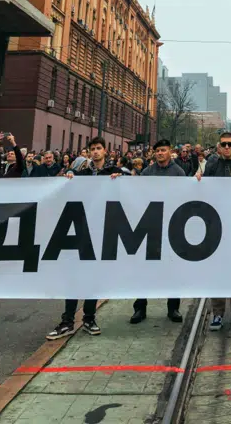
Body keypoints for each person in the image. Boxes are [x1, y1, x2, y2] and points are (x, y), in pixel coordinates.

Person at [46, 138, 120, 341]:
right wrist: (69, 176)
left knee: (93, 277)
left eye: (98, 149)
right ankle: (68, 320)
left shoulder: (113, 173)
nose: (95, 152)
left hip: (101, 230)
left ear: (105, 151)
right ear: (88, 153)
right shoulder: (82, 174)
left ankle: (89, 318)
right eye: (92, 149)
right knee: (74, 275)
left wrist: (120, 179)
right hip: (80, 230)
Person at [197, 131, 231, 332]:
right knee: (218, 270)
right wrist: (197, 179)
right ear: (219, 146)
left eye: (230, 144)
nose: (227, 147)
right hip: (216, 226)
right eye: (224, 144)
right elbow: (202, 190)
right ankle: (217, 313)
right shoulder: (211, 166)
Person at [131, 140, 183, 325]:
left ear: (170, 152)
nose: (160, 153)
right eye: (157, 151)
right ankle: (140, 307)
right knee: (145, 268)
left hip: (171, 226)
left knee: (172, 269)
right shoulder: (147, 172)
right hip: (150, 225)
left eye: (163, 150)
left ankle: (173, 307)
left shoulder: (179, 172)